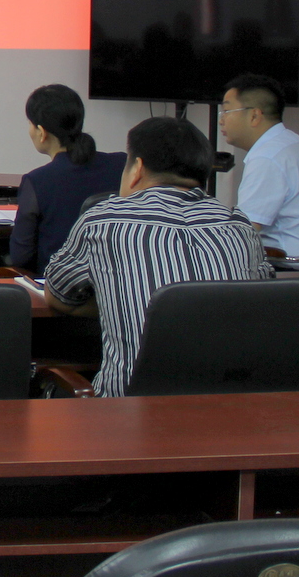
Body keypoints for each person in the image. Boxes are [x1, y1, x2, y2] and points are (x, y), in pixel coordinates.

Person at [44, 116, 272, 398]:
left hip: (127, 412)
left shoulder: (103, 221)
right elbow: (259, 300)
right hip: (227, 409)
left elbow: (57, 295)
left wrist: (114, 298)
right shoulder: (239, 226)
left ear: (137, 168)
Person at [219, 73, 299, 264]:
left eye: (226, 111)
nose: (221, 120)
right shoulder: (290, 143)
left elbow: (243, 234)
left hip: (290, 263)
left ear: (254, 115)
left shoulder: (268, 157)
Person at [8, 84, 127, 274]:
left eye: (30, 123)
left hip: (58, 286)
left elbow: (21, 257)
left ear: (41, 132)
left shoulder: (37, 181)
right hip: (116, 280)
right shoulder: (122, 164)